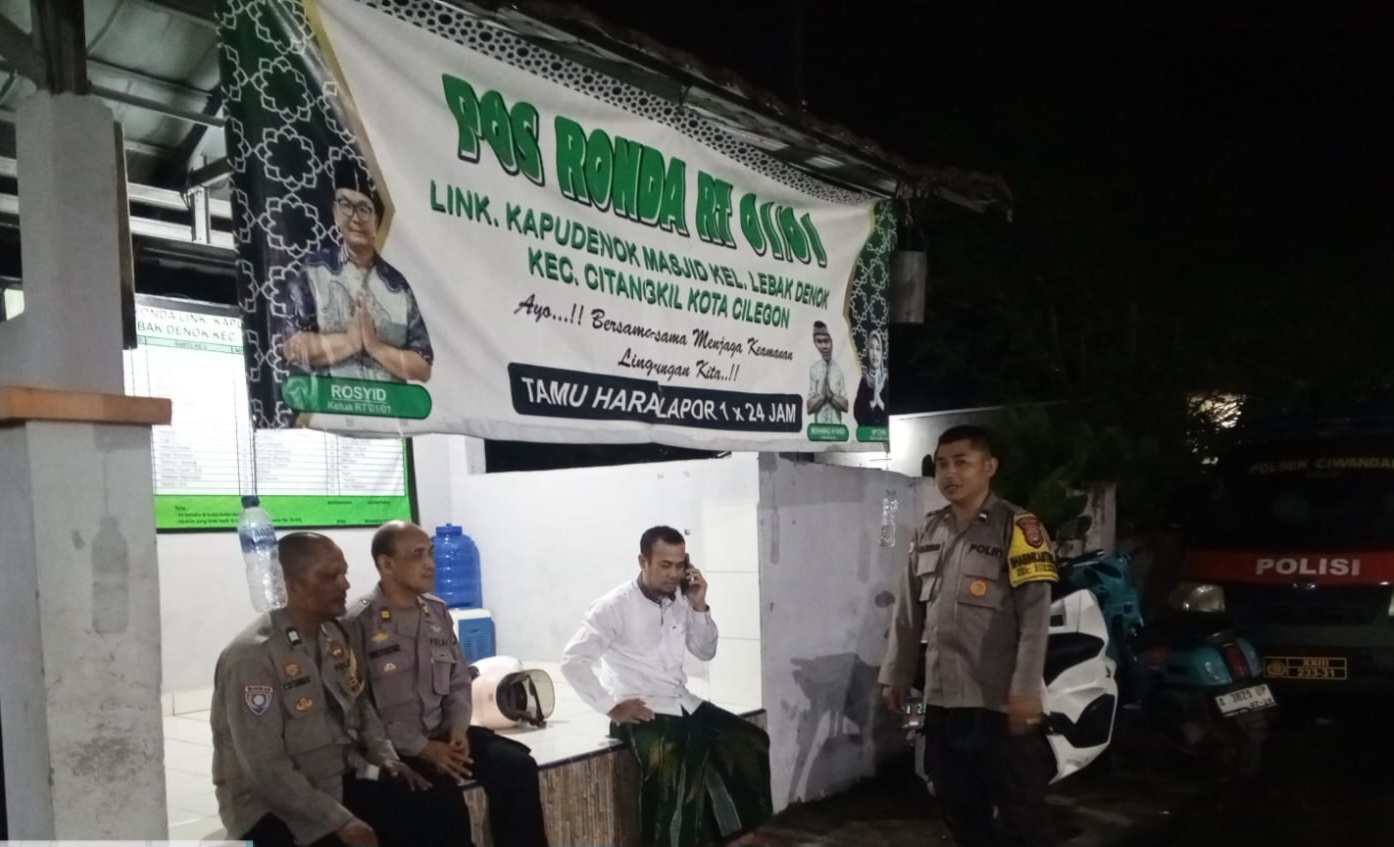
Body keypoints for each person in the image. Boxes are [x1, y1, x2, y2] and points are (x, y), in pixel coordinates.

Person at [211, 532, 472, 847]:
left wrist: (387, 759)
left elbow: (362, 707)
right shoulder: (252, 658)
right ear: (290, 584)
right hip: (272, 805)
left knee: (440, 806)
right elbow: (266, 770)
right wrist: (340, 821)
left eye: (344, 573)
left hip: (338, 779)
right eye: (329, 576)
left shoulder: (333, 636)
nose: (345, 584)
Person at [878, 426, 1059, 847]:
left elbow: (1035, 617)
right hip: (943, 703)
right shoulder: (928, 531)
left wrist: (1025, 690)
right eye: (942, 464)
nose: (949, 473)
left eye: (962, 462)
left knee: (1023, 815)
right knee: (958, 808)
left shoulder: (1018, 527)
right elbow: (908, 612)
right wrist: (897, 673)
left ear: (989, 467)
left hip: (997, 702)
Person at [560, 526, 773, 847]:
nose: (674, 574)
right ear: (643, 561)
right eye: (665, 565)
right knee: (672, 767)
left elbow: (705, 651)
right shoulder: (613, 606)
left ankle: (735, 835)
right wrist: (611, 706)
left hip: (683, 701)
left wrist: (699, 605)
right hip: (643, 711)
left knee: (751, 741)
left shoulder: (682, 600)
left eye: (679, 564)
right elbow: (573, 660)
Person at [344, 521, 550, 847]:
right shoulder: (357, 622)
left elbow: (458, 679)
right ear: (386, 564)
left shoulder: (436, 612)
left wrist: (458, 729)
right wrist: (423, 748)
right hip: (396, 747)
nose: (430, 563)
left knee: (516, 767)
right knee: (440, 804)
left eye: (430, 553)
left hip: (444, 733)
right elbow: (359, 705)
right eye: (417, 555)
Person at [280, 158, 434, 383]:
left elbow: (423, 367)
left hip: (390, 403)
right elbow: (291, 346)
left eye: (364, 209)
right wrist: (350, 342)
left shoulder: (397, 285)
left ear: (376, 221)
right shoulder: (314, 270)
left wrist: (375, 346)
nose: (355, 218)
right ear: (335, 211)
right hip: (329, 402)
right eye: (346, 205)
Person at [806, 320, 848, 424]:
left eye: (826, 341)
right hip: (818, 431)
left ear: (831, 341)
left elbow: (846, 406)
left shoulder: (838, 370)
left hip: (837, 431)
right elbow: (809, 408)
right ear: (814, 343)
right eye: (819, 342)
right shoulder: (814, 369)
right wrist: (822, 396)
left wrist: (831, 396)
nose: (824, 346)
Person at [853, 329, 889, 429]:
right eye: (871, 348)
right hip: (868, 435)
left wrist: (880, 403)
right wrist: (871, 404)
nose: (874, 353)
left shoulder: (886, 381)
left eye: (878, 349)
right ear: (868, 352)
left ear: (881, 353)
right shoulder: (864, 381)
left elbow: (895, 415)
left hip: (884, 435)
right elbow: (857, 413)